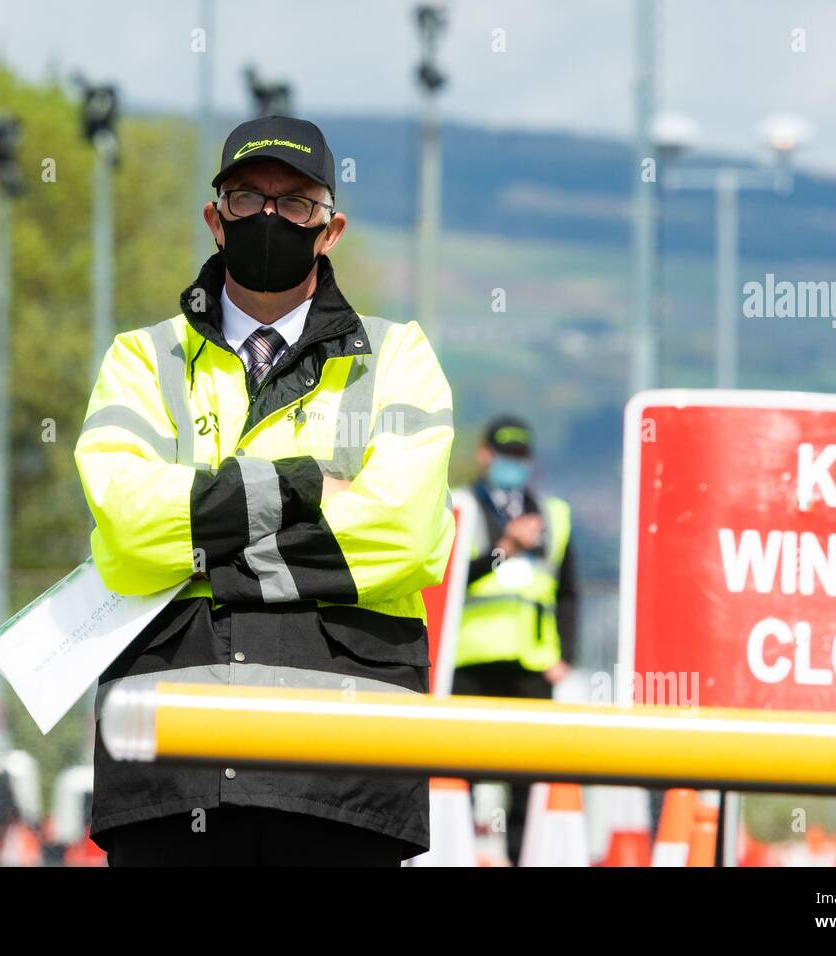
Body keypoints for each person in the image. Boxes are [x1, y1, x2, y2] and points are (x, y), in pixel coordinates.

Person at [73, 115, 455, 866]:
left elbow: (405, 533)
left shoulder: (399, 354)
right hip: (170, 772)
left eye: (297, 202)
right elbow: (124, 527)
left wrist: (202, 545)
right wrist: (313, 486)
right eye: (249, 199)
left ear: (331, 228)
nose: (271, 216)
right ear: (216, 219)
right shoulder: (140, 359)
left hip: (345, 775)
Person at [450, 415, 578, 864]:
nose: (512, 465)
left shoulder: (554, 514)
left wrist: (567, 656)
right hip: (469, 661)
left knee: (524, 778)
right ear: (485, 454)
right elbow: (451, 580)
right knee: (459, 774)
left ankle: (518, 858)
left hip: (531, 664)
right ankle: (459, 856)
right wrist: (506, 547)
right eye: (505, 455)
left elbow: (568, 594)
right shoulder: (460, 506)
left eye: (520, 457)